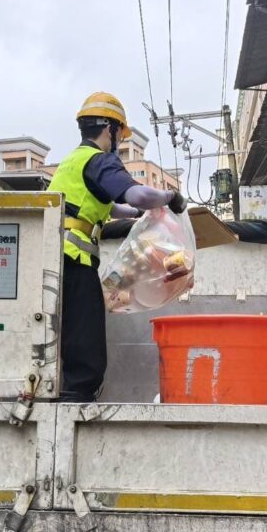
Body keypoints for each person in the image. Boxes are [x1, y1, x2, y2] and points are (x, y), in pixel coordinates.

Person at [47, 92, 186, 402]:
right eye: (119, 135)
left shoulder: (72, 161)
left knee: (66, 335)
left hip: (53, 261)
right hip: (74, 261)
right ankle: (75, 402)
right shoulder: (100, 159)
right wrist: (169, 198)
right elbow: (135, 195)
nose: (119, 143)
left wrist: (139, 214)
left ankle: (68, 393)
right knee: (86, 342)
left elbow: (106, 207)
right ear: (110, 129)